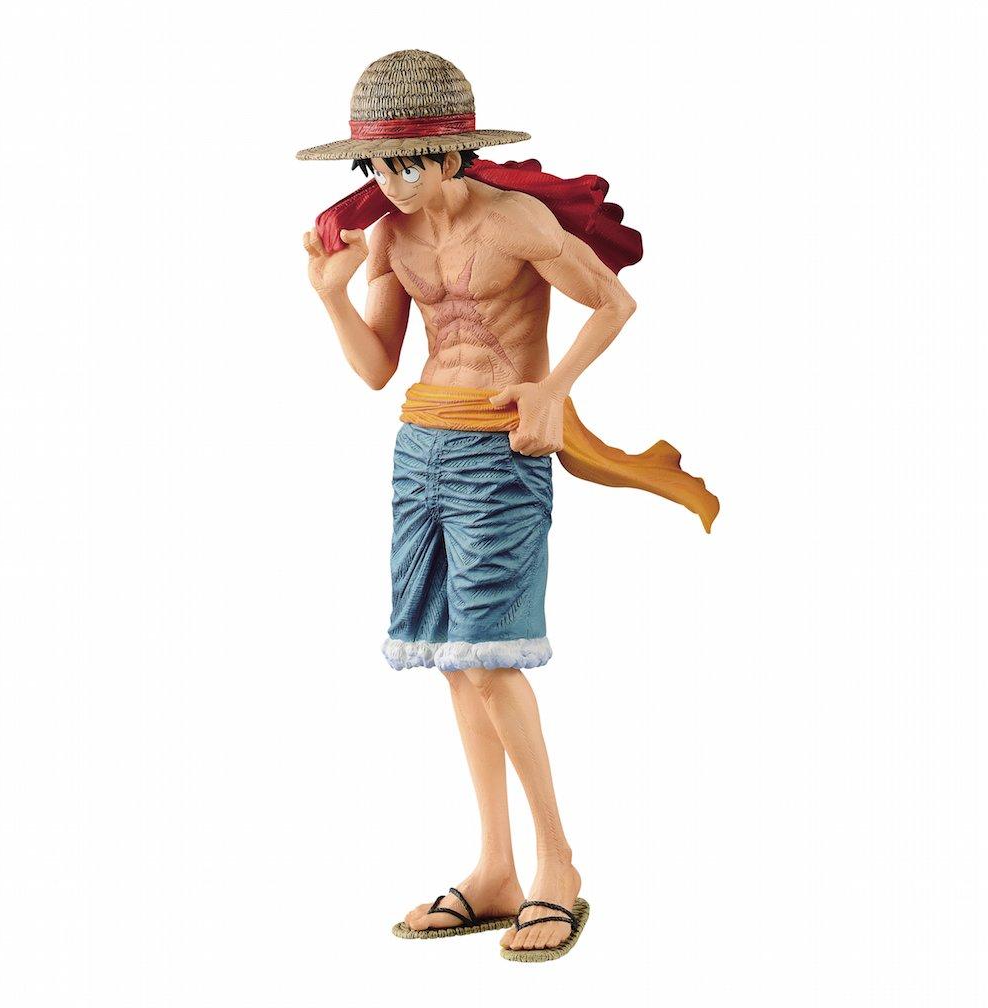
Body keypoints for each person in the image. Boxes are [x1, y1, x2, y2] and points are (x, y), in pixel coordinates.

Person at [298, 49, 717, 963]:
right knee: (456, 662)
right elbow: (376, 368)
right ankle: (495, 869)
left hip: (499, 454)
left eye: (407, 163)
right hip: (420, 449)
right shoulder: (390, 237)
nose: (390, 183)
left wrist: (553, 390)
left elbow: (612, 302)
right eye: (375, 165)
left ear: (452, 153)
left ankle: (556, 864)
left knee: (491, 659)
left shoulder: (515, 220)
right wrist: (330, 300)